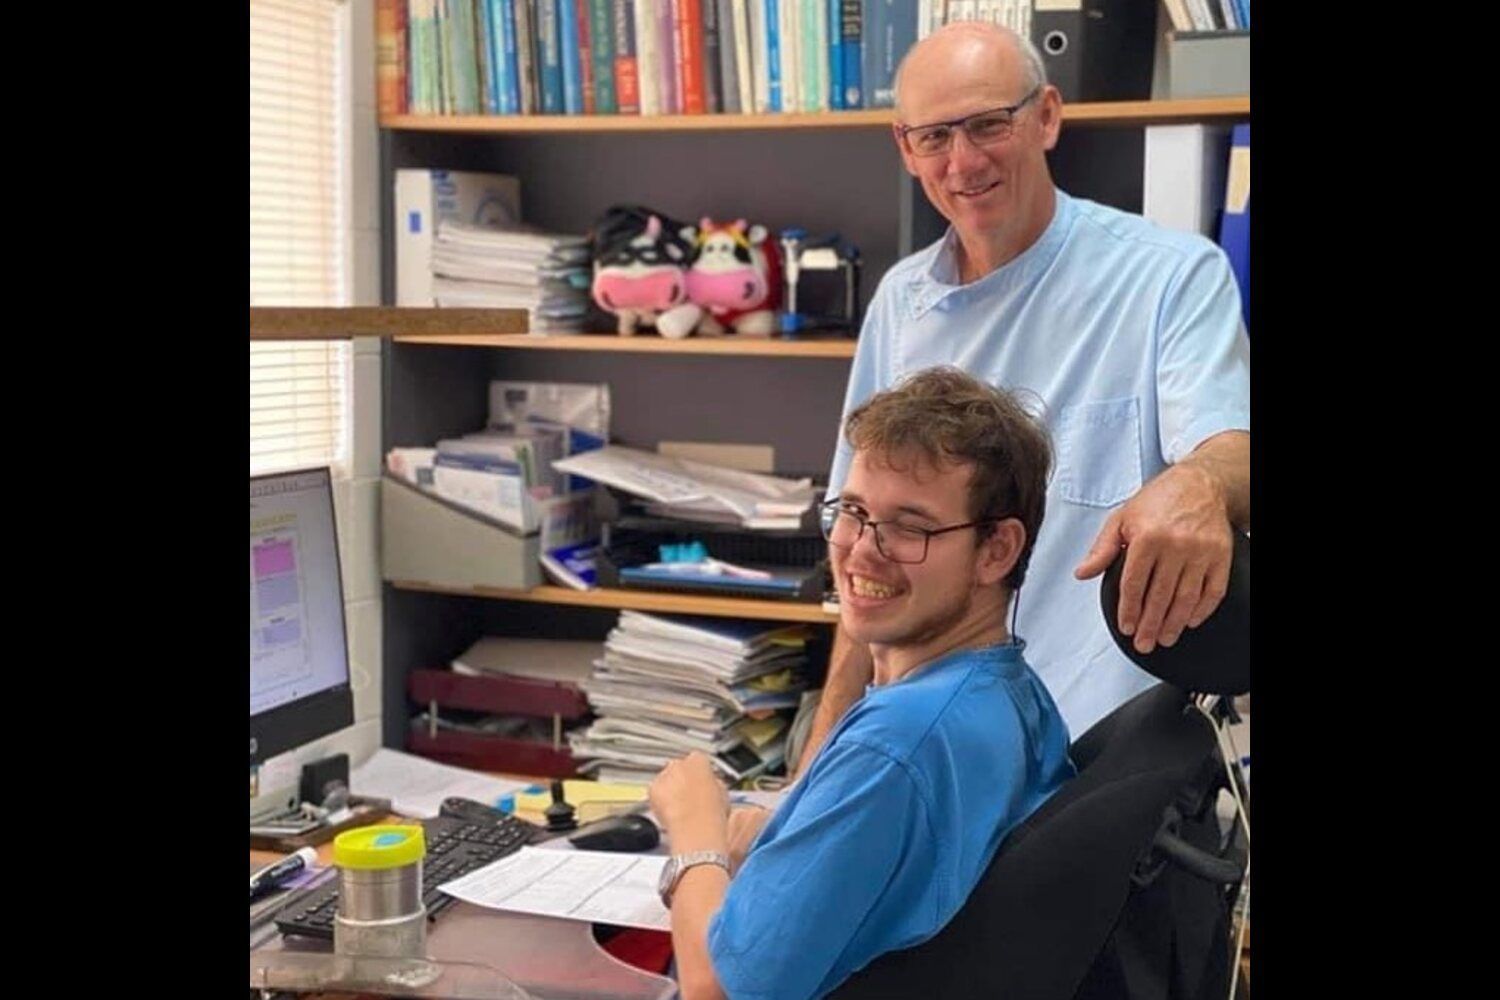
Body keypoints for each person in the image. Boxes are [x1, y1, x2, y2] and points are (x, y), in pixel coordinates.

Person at [800, 21, 1252, 766]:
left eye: (987, 125)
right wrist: (812, 776)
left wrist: (1199, 483)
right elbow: (864, 562)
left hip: (1093, 770)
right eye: (935, 137)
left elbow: (1232, 444)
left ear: (1045, 116)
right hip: (930, 756)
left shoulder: (1167, 277)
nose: (963, 161)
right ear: (905, 147)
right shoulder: (899, 305)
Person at [648, 367, 1075, 1000]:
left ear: (997, 551)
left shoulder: (901, 743)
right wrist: (773, 839)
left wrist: (695, 834)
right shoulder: (1001, 691)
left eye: (909, 527)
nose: (860, 551)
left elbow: (715, 991)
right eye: (852, 512)